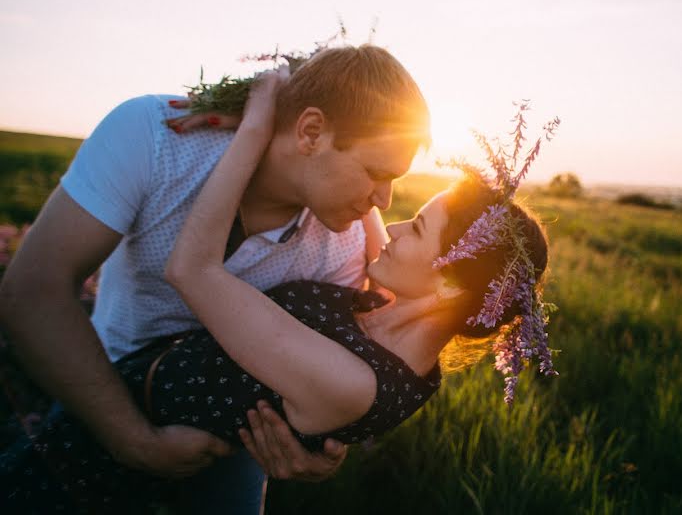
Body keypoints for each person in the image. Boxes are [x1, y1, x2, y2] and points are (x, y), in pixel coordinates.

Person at [0, 70, 556, 513]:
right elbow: (32, 291)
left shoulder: (350, 265)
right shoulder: (158, 136)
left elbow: (198, 272)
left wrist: (320, 442)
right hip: (113, 383)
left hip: (230, 441)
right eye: (375, 172)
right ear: (310, 132)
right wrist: (268, 111)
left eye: (400, 190)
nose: (386, 206)